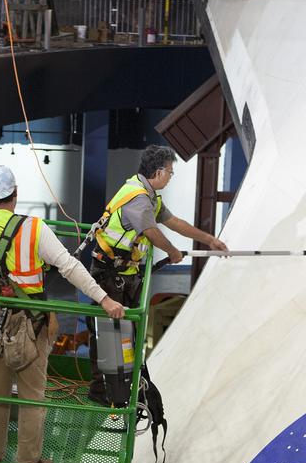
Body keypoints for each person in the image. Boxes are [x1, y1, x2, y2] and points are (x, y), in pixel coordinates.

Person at [0, 166, 125, 463]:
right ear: (15, 193)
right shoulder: (34, 229)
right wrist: (104, 299)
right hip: (29, 323)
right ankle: (28, 459)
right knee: (32, 395)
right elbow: (69, 266)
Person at [87, 144, 227, 404]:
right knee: (108, 332)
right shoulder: (138, 198)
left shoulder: (151, 197)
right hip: (108, 273)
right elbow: (151, 232)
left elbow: (175, 223)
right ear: (159, 172)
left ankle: (122, 388)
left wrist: (209, 239)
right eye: (171, 172)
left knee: (126, 332)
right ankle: (101, 391)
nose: (171, 177)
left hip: (127, 273)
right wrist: (172, 251)